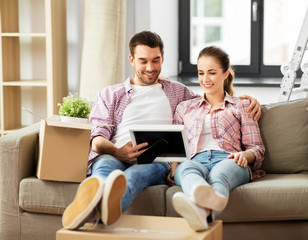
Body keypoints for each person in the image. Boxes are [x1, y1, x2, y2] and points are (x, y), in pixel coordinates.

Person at [62, 31, 262, 230]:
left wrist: (246, 100)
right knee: (104, 167)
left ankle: (93, 213)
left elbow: (211, 97)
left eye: (155, 60)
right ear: (131, 60)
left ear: (162, 59)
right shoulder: (110, 94)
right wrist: (118, 152)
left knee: (132, 178)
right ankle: (92, 199)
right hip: (115, 153)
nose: (150, 68)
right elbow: (96, 140)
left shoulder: (178, 92)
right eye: (143, 61)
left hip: (156, 161)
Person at [169, 46, 265, 231]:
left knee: (218, 176)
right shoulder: (185, 108)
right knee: (186, 169)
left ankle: (197, 206)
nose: (205, 79)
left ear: (225, 74)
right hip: (195, 160)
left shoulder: (242, 106)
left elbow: (257, 148)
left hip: (230, 159)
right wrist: (174, 169)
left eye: (212, 73)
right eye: (201, 73)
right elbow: (176, 148)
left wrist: (245, 155)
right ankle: (204, 213)